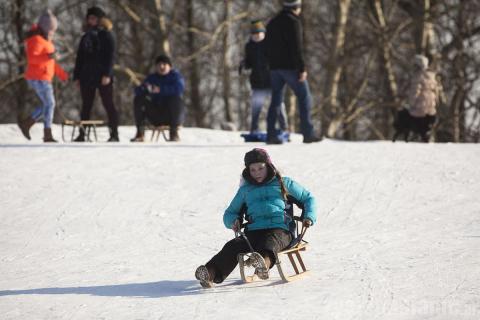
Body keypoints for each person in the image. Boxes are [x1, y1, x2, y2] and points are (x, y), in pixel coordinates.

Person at [195, 148, 317, 288]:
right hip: (254, 230)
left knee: (270, 242)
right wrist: (233, 221)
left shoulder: (284, 183)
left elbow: (308, 198)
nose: (257, 173)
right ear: (248, 171)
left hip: (281, 230)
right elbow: (230, 213)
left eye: (260, 168)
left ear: (269, 166)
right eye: (253, 170)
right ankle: (210, 272)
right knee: (233, 246)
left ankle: (263, 263)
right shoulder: (245, 190)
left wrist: (309, 216)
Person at [265, 0, 321, 144]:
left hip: (274, 68)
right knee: (304, 97)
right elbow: (297, 47)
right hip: (290, 67)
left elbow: (266, 45)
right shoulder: (294, 22)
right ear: (296, 7)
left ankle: (271, 134)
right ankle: (308, 133)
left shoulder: (272, 22)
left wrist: (270, 65)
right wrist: (302, 68)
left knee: (276, 100)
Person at [18, 10, 68, 142]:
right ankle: (46, 133)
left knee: (48, 104)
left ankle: (28, 124)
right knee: (50, 104)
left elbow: (51, 62)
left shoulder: (46, 41)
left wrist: (62, 74)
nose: (53, 32)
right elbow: (32, 58)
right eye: (51, 29)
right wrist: (48, 56)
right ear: (45, 28)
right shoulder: (36, 40)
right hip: (38, 77)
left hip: (44, 76)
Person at [73, 6, 119, 142]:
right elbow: (80, 58)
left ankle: (114, 134)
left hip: (102, 75)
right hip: (86, 75)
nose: (91, 20)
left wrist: (107, 74)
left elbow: (111, 56)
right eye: (89, 18)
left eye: (93, 18)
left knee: (108, 104)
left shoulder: (107, 35)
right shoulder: (85, 37)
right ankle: (82, 134)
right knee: (86, 105)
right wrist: (76, 76)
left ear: (100, 20)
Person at [240, 20, 288, 134]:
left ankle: (284, 128)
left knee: (279, 105)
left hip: (272, 81)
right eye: (255, 34)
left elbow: (278, 59)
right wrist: (244, 65)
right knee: (256, 107)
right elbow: (249, 63)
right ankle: (254, 128)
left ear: (264, 34)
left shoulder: (270, 44)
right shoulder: (249, 46)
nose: (257, 36)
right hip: (257, 82)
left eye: (260, 34)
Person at [130, 55, 185, 142]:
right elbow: (137, 91)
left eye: (164, 64)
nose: (161, 67)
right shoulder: (152, 78)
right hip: (155, 113)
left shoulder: (176, 76)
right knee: (139, 99)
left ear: (169, 66)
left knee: (176, 99)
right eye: (159, 64)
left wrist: (160, 90)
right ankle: (140, 133)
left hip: (170, 115)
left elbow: (179, 88)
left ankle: (174, 133)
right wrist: (145, 89)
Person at [393, 54, 440, 142]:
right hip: (431, 110)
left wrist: (410, 103)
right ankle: (424, 136)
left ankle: (404, 136)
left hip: (419, 109)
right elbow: (436, 92)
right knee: (423, 127)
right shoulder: (432, 76)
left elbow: (415, 92)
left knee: (403, 115)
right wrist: (435, 104)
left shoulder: (417, 76)